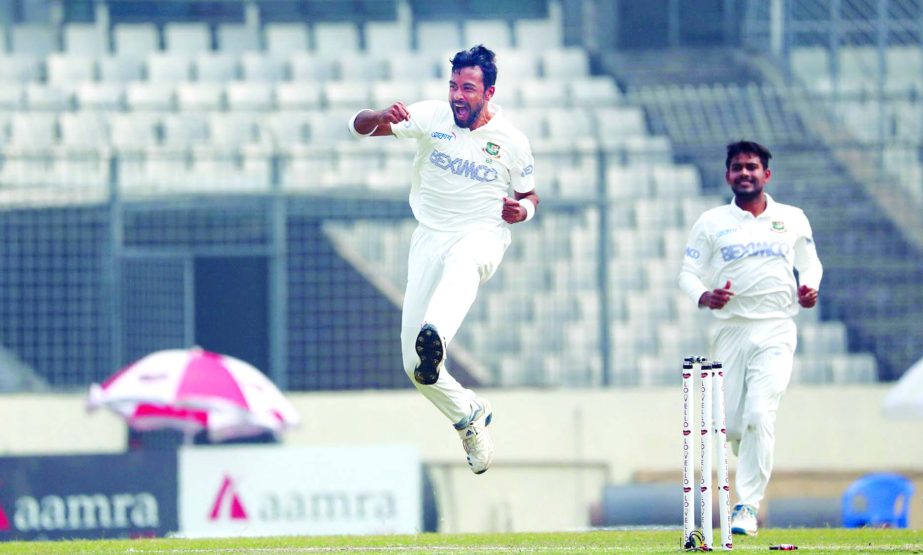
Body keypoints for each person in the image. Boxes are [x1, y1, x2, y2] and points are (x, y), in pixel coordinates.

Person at [347, 45, 539, 475]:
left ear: (488, 92)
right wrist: (382, 116)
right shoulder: (431, 115)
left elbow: (530, 197)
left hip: (482, 234)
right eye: (452, 85)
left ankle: (437, 333)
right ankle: (468, 413)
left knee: (462, 265)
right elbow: (357, 128)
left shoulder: (512, 141)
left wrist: (521, 211)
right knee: (415, 367)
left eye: (467, 87)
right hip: (429, 237)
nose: (456, 95)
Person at [678, 140, 822, 535]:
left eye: (752, 167)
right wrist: (704, 296)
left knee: (760, 413)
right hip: (731, 330)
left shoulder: (792, 218)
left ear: (766, 175)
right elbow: (687, 274)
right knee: (732, 426)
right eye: (738, 167)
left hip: (777, 326)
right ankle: (749, 442)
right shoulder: (711, 222)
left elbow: (811, 266)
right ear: (728, 175)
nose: (745, 173)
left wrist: (809, 288)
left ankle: (747, 507)